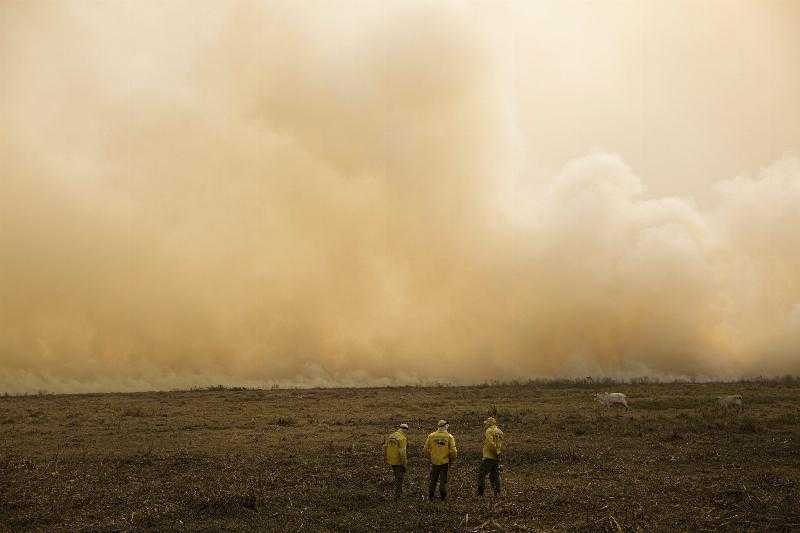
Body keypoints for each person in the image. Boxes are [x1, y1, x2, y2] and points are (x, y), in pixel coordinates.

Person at [423, 420, 457, 501]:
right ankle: (443, 497)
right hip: (444, 462)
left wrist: (431, 457)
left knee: (433, 480)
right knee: (443, 481)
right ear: (445, 426)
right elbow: (453, 451)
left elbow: (425, 449)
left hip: (434, 462)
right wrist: (451, 460)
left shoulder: (431, 436)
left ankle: (431, 496)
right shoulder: (449, 437)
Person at [477, 416, 503, 497]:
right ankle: (497, 493)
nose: (485, 424)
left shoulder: (489, 431)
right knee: (495, 475)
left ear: (489, 423)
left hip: (489, 457)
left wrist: (495, 451)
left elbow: (490, 443)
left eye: (487, 423)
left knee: (481, 474)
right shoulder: (500, 431)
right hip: (496, 457)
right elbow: (499, 444)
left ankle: (480, 493)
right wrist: (498, 452)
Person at [384, 423, 409, 498]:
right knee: (400, 478)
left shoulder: (391, 436)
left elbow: (386, 447)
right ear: (405, 429)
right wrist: (404, 464)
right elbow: (402, 452)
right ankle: (398, 495)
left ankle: (399, 492)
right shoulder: (402, 438)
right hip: (399, 461)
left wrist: (387, 457)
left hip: (391, 460)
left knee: (396, 476)